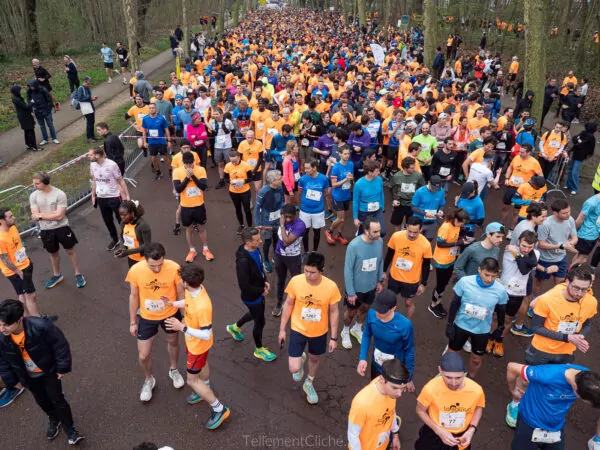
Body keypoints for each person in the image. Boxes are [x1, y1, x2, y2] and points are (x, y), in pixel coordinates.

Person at [0, 299, 85, 445]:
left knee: (58, 399)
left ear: (19, 320)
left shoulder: (41, 327)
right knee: (42, 400)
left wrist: (62, 367)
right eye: (0, 324)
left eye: (6, 325)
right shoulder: (2, 338)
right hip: (27, 376)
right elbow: (3, 360)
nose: (2, 329)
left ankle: (70, 429)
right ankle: (54, 418)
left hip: (48, 372)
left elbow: (60, 345)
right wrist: (12, 381)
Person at [163, 264, 231, 430]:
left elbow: (206, 333)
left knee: (192, 380)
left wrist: (182, 327)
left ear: (186, 283)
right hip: (195, 343)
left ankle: (219, 409)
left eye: (181, 280)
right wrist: (173, 304)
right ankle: (205, 386)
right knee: (203, 365)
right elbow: (188, 302)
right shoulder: (195, 288)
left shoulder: (203, 306)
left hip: (198, 345)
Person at [124, 242, 185, 402]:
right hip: (147, 317)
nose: (157, 269)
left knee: (173, 342)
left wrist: (184, 315)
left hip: (170, 314)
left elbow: (180, 292)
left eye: (160, 264)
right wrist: (132, 322)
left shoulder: (174, 268)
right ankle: (149, 380)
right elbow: (134, 296)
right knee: (143, 355)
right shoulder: (136, 270)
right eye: (153, 266)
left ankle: (173, 370)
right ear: (145, 260)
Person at [278, 251, 341, 405]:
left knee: (314, 358)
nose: (308, 275)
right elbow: (288, 304)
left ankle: (309, 382)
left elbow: (334, 311)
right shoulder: (296, 281)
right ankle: (300, 361)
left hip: (319, 332)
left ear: (321, 271)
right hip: (298, 328)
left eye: (312, 272)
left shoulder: (331, 287)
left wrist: (334, 337)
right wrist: (282, 329)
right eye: (306, 270)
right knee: (294, 369)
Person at [506, 361, 600, 449]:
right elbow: (512, 367)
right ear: (575, 389)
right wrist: (513, 391)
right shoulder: (547, 375)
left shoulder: (588, 377)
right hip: (530, 422)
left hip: (556, 426)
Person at [445, 257, 508, 379]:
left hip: (482, 330)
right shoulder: (465, 282)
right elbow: (454, 303)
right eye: (486, 275)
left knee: (476, 359)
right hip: (461, 325)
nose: (489, 279)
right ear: (479, 269)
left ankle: (471, 378)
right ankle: (448, 375)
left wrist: (500, 327)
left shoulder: (500, 290)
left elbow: (501, 310)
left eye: (493, 276)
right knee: (453, 354)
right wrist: (449, 324)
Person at [226, 227, 276, 362]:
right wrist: (261, 291)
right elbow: (244, 286)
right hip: (252, 296)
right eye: (257, 240)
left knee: (255, 314)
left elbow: (259, 268)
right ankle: (259, 350)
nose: (261, 241)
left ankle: (235, 327)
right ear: (248, 242)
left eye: (260, 238)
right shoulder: (243, 262)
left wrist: (265, 280)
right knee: (260, 321)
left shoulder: (255, 249)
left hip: (258, 291)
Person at [415, 352, 484, 450]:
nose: (453, 383)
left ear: (464, 373)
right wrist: (438, 430)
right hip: (434, 434)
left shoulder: (476, 390)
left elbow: (478, 407)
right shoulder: (430, 389)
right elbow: (420, 410)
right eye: (448, 377)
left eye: (458, 378)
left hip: (460, 437)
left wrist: (471, 430)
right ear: (440, 370)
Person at [488, 230, 540, 357]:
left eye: (530, 247)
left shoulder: (535, 254)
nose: (526, 250)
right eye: (524, 246)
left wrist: (519, 254)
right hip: (503, 290)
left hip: (518, 293)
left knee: (508, 319)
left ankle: (499, 341)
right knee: (495, 317)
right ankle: (490, 338)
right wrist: (519, 254)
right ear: (518, 242)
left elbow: (524, 269)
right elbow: (524, 268)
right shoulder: (508, 251)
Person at [29, 172, 85, 289]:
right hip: (46, 230)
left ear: (45, 182)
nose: (34, 186)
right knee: (53, 253)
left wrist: (41, 215)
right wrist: (52, 214)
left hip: (62, 227)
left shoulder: (59, 194)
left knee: (70, 251)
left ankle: (78, 274)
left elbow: (60, 216)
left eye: (37, 183)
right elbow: (35, 216)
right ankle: (57, 275)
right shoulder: (33, 196)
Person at [341, 217, 384, 350]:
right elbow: (348, 270)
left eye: (379, 231)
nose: (379, 234)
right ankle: (345, 331)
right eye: (375, 232)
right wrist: (351, 292)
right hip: (356, 289)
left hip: (371, 287)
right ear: (366, 230)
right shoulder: (354, 246)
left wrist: (379, 280)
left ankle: (357, 328)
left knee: (365, 308)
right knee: (351, 313)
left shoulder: (379, 241)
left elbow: (380, 261)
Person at [357, 289, 415, 386]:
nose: (378, 313)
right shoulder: (371, 314)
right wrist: (362, 358)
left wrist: (408, 378)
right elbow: (366, 335)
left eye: (382, 311)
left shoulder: (405, 325)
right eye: (377, 308)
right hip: (376, 364)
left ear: (393, 308)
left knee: (390, 393)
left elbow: (409, 351)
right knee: (375, 388)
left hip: (395, 370)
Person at [348, 358, 409, 450]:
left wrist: (395, 434)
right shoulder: (361, 403)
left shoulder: (391, 392)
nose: (399, 394)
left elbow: (391, 412)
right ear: (382, 380)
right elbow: (353, 435)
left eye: (402, 388)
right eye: (395, 388)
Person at [383, 216, 432, 320]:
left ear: (421, 229)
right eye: (409, 231)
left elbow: (426, 265)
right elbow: (389, 255)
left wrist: (423, 283)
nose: (411, 235)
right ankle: (388, 320)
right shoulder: (396, 236)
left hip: (411, 281)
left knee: (408, 303)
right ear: (406, 226)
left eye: (415, 232)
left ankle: (407, 323)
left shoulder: (426, 244)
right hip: (394, 277)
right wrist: (383, 271)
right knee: (390, 301)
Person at [172, 152, 214, 262]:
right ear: (183, 162)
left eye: (191, 163)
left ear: (194, 161)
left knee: (201, 228)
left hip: (199, 204)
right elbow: (178, 189)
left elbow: (203, 186)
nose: (189, 166)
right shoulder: (177, 171)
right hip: (186, 206)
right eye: (186, 164)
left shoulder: (201, 169)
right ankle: (192, 250)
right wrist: (187, 177)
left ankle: (205, 249)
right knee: (189, 229)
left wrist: (193, 176)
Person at [429, 208, 470, 319]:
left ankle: (438, 302)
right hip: (441, 261)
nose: (462, 225)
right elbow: (440, 244)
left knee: (444, 284)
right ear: (456, 219)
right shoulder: (446, 227)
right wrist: (458, 243)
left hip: (451, 259)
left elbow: (455, 237)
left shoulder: (456, 225)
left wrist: (462, 238)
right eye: (461, 223)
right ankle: (433, 305)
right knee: (440, 285)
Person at [0, 207, 40, 317]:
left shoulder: (12, 228)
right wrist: (19, 272)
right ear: (2, 221)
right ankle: (38, 321)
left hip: (24, 265)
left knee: (23, 295)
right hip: (16, 271)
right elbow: (4, 259)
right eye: (10, 217)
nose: (14, 217)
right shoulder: (1, 239)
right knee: (30, 295)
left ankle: (25, 319)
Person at [533, 198, 577, 297]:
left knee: (561, 284)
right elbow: (541, 244)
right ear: (555, 213)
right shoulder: (545, 224)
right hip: (545, 259)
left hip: (561, 258)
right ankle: (536, 301)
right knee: (539, 282)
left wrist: (571, 243)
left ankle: (556, 302)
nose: (568, 214)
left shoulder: (570, 219)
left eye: (569, 211)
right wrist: (561, 246)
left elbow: (574, 237)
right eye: (564, 213)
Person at [89, 147, 130, 250]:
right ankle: (115, 240)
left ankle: (127, 240)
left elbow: (120, 180)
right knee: (107, 221)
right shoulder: (92, 165)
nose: (89, 156)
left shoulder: (112, 165)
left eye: (91, 154)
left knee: (121, 220)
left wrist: (127, 196)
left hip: (114, 197)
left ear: (97, 155)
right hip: (101, 198)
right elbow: (94, 180)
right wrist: (93, 195)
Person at [254, 170, 285, 273]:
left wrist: (283, 210)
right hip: (266, 221)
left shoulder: (280, 187)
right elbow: (257, 208)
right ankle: (266, 260)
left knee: (277, 239)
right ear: (272, 181)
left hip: (277, 219)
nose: (281, 180)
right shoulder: (263, 191)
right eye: (279, 179)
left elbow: (282, 201)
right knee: (267, 241)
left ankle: (275, 256)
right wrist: (258, 225)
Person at [298, 160, 331, 252]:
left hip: (318, 211)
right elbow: (299, 193)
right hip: (305, 210)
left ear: (314, 168)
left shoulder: (324, 179)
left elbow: (326, 193)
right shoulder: (303, 179)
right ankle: (306, 251)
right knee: (305, 232)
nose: (305, 170)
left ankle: (314, 251)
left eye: (307, 168)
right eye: (305, 168)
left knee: (317, 232)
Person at [326, 145, 354, 244]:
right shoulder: (336, 167)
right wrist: (346, 179)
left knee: (343, 218)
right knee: (341, 218)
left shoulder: (350, 164)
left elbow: (351, 178)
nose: (347, 155)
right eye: (345, 154)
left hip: (347, 195)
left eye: (348, 153)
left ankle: (339, 235)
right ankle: (329, 231)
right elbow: (333, 185)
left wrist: (351, 181)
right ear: (340, 154)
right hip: (338, 196)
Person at [390, 156, 425, 231]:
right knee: (397, 223)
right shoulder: (397, 176)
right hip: (400, 203)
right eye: (412, 168)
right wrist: (394, 199)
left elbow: (422, 188)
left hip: (412, 204)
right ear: (405, 168)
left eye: (414, 167)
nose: (414, 169)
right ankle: (398, 236)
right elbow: (391, 188)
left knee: (411, 224)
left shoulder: (418, 176)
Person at [352, 159, 386, 237]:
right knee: (363, 234)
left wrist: (382, 207)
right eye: (377, 171)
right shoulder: (359, 184)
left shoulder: (379, 179)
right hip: (364, 212)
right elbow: (355, 201)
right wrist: (355, 218)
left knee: (382, 232)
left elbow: (381, 193)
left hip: (377, 210)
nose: (379, 172)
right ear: (370, 172)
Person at [114, 200, 152, 268]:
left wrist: (127, 252)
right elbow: (122, 237)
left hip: (142, 259)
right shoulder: (123, 223)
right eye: (120, 215)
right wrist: (123, 248)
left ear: (132, 213)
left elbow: (147, 245)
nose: (122, 217)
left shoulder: (143, 226)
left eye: (125, 215)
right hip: (131, 258)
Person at [224, 150, 253, 233]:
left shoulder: (246, 165)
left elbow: (251, 178)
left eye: (235, 161)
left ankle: (250, 226)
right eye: (232, 161)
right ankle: (242, 225)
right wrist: (230, 182)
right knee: (238, 209)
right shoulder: (227, 166)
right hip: (233, 191)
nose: (234, 163)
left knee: (247, 209)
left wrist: (244, 181)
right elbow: (226, 178)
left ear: (239, 158)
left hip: (245, 191)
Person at [142, 102, 172, 180]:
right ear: (148, 109)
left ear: (156, 109)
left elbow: (166, 129)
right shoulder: (145, 119)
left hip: (161, 141)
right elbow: (144, 131)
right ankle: (158, 172)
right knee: (153, 159)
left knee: (165, 158)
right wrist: (145, 142)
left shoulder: (161, 118)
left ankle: (170, 171)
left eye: (153, 108)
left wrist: (169, 140)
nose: (151, 109)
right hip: (152, 142)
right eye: (150, 108)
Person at [411, 175, 445, 241]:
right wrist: (425, 213)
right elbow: (413, 207)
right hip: (419, 222)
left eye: (437, 188)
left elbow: (442, 204)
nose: (435, 190)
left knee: (428, 242)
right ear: (429, 182)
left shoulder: (441, 191)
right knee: (416, 241)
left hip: (432, 222)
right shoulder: (419, 192)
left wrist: (441, 210)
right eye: (433, 188)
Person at [566, 121, 597, 195]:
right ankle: (568, 185)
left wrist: (578, 141)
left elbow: (583, 144)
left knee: (574, 172)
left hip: (581, 156)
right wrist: (578, 141)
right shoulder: (584, 132)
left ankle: (574, 188)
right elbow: (575, 138)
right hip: (576, 153)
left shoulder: (591, 137)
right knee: (571, 169)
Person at [27, 79, 59, 146]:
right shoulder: (29, 91)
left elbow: (49, 100)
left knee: (50, 125)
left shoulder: (43, 89)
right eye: (30, 86)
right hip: (37, 112)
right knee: (42, 126)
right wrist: (32, 109)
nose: (31, 87)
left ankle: (54, 138)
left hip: (46, 110)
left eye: (32, 86)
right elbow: (29, 100)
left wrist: (49, 108)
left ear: (35, 85)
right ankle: (45, 139)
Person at [572, 192, 600, 267]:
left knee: (580, 256)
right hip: (586, 235)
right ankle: (569, 273)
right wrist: (573, 233)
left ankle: (571, 272)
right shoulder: (591, 202)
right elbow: (579, 219)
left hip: (594, 234)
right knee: (582, 258)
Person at [11, 85, 38, 152]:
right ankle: (34, 147)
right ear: (16, 91)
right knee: (30, 131)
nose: (20, 91)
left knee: (27, 131)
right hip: (25, 117)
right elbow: (25, 107)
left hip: (22, 117)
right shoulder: (17, 99)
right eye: (19, 90)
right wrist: (31, 102)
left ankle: (29, 144)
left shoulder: (15, 97)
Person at [76, 76, 98, 142]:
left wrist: (92, 98)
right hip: (86, 108)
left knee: (92, 121)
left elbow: (88, 98)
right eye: (89, 81)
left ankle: (92, 136)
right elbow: (80, 98)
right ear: (86, 81)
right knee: (89, 122)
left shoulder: (87, 87)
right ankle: (89, 137)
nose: (90, 82)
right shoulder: (80, 88)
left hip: (90, 106)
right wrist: (89, 98)